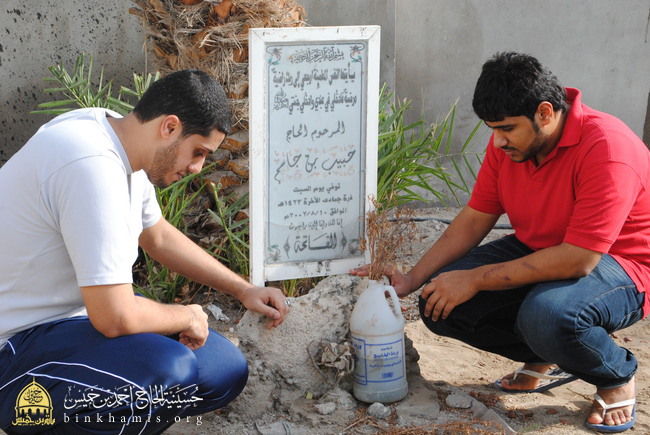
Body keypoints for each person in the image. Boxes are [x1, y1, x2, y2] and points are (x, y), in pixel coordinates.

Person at [352, 52, 650, 433]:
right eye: (492, 129)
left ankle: (614, 374)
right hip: (542, 250)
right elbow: (473, 220)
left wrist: (476, 278)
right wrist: (412, 279)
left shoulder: (607, 148)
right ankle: (552, 350)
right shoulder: (509, 147)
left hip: (620, 264)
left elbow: (579, 260)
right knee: (438, 301)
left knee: (547, 316)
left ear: (545, 113)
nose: (497, 141)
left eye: (507, 129)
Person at [0, 69, 290, 434]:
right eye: (198, 152)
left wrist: (243, 289)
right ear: (169, 127)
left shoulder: (119, 140)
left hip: (71, 321)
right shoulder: (89, 163)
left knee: (219, 368)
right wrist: (185, 316)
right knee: (166, 371)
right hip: (14, 347)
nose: (197, 168)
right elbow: (115, 317)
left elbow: (158, 237)